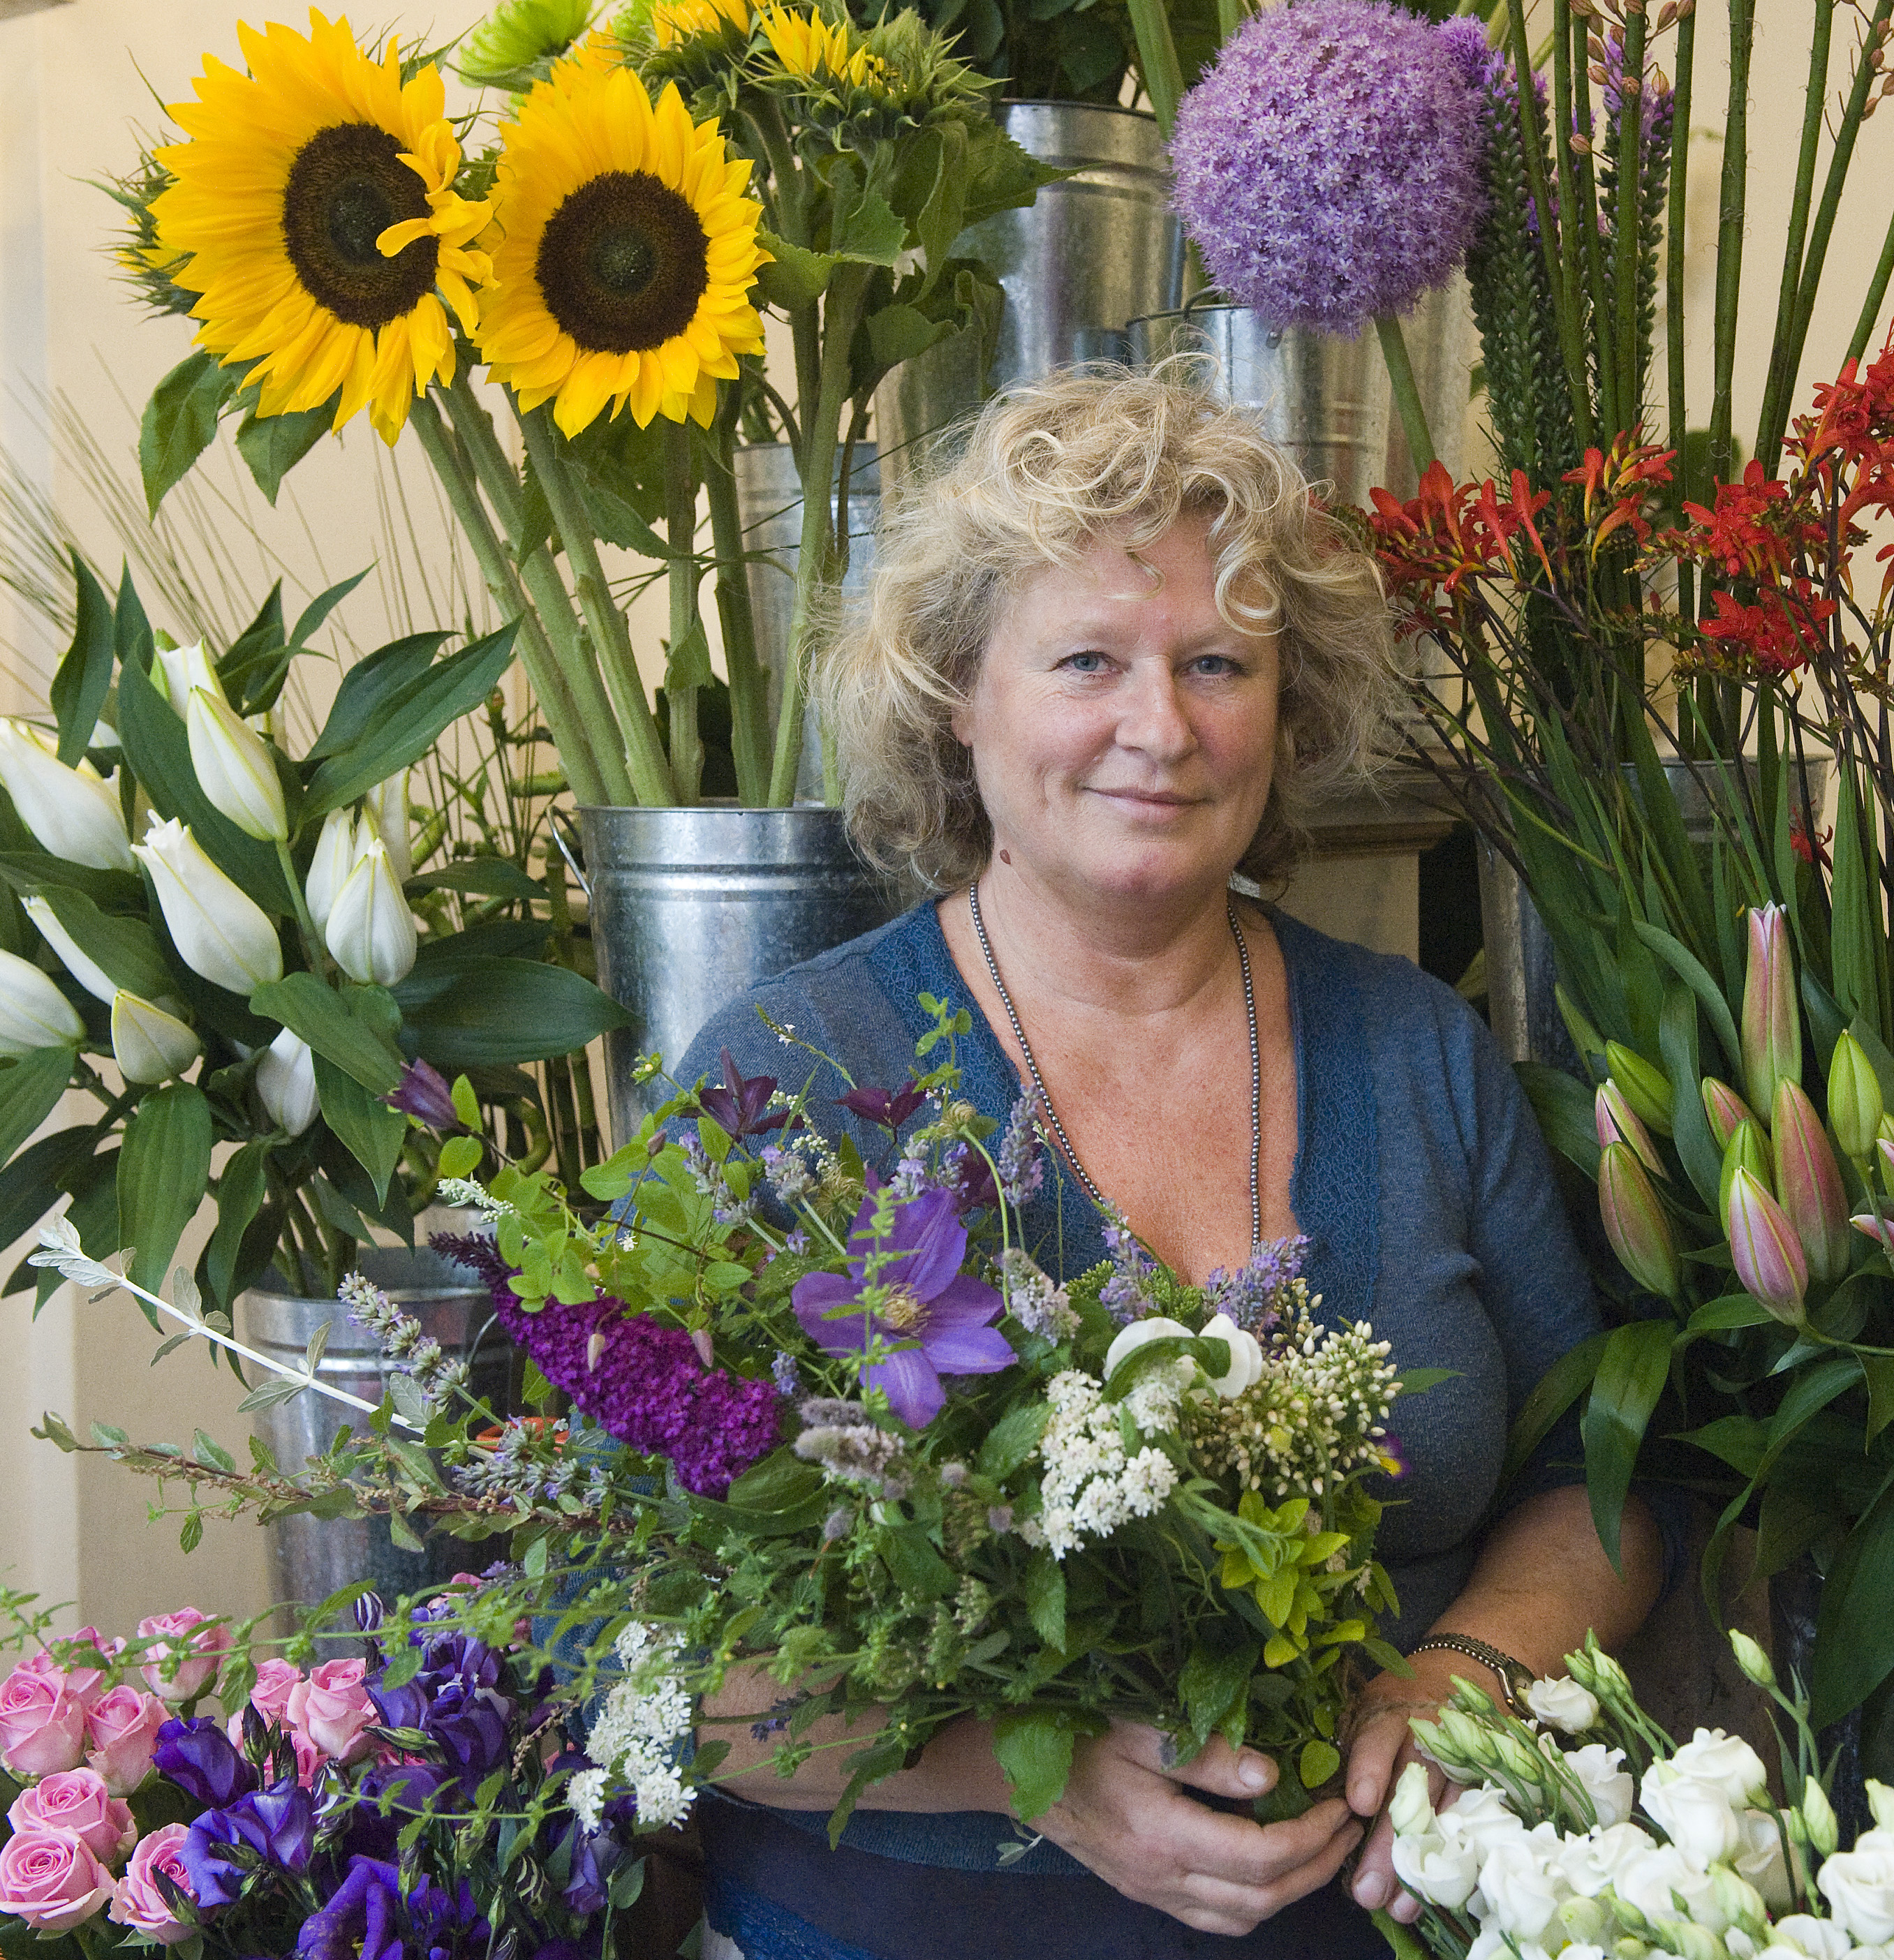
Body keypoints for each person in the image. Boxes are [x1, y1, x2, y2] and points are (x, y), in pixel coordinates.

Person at [677, 367, 1671, 1959]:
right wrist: (1032, 1770)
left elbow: (1597, 1488)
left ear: (1288, 708)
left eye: (1219, 663)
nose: (1162, 727)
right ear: (959, 696)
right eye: (1087, 661)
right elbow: (636, 1640)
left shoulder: (1418, 1056)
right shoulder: (786, 1081)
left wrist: (1466, 1676)